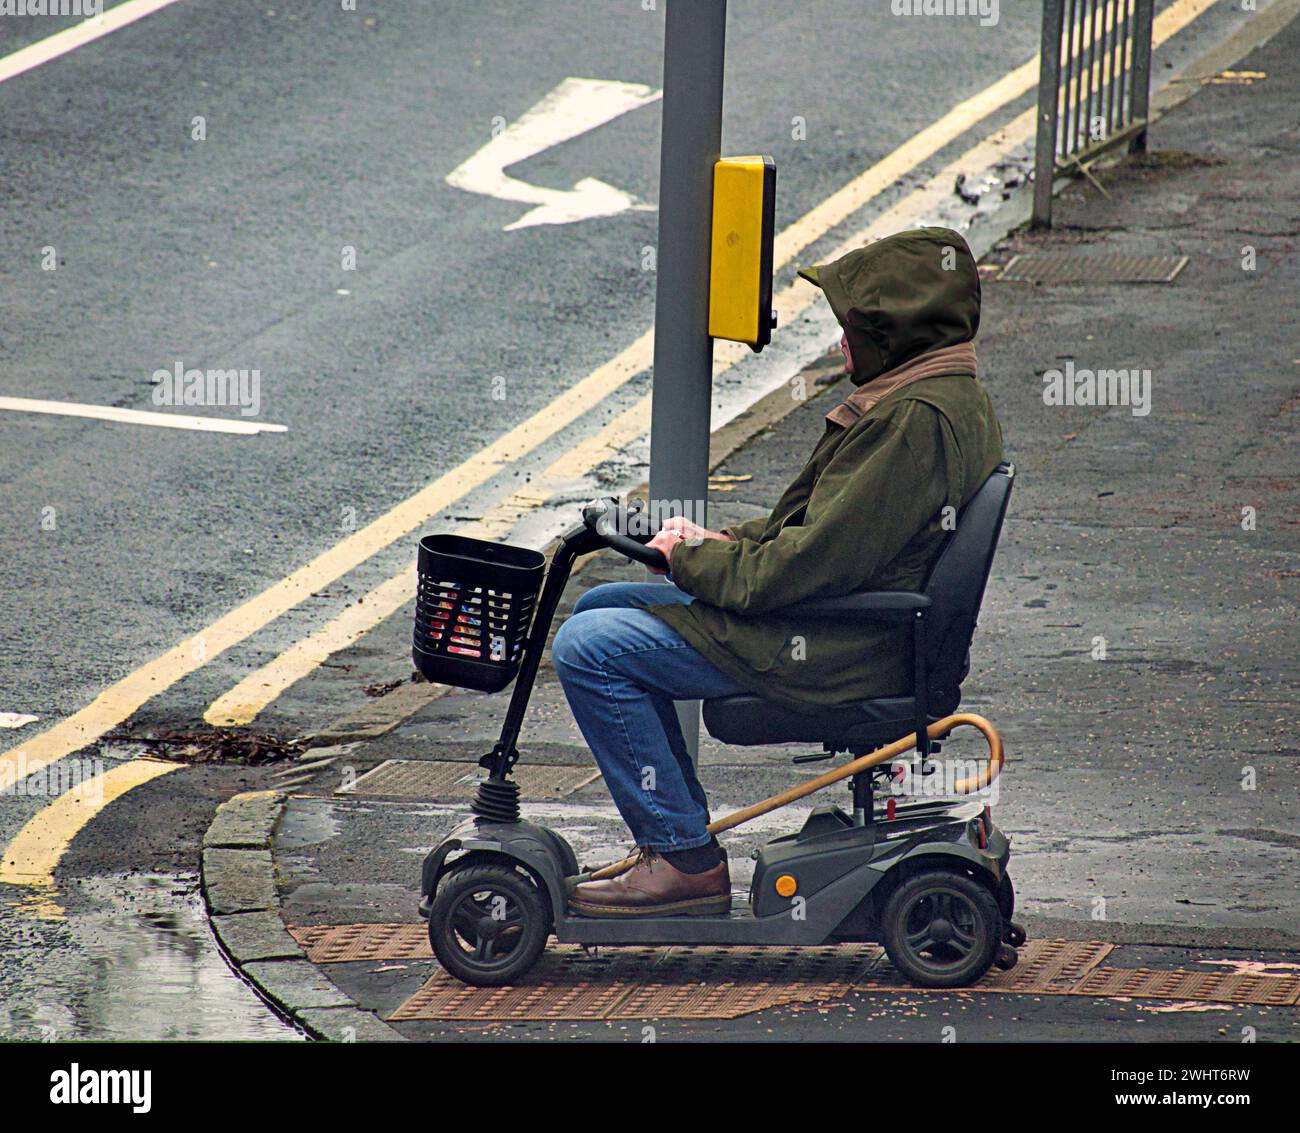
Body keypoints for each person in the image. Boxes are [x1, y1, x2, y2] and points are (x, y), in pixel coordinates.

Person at [553, 227, 1004, 917]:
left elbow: (804, 564)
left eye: (852, 328)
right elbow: (822, 532)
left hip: (838, 645)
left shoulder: (912, 420)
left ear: (894, 334)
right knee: (603, 604)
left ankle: (681, 857)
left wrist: (697, 560)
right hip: (851, 623)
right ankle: (677, 842)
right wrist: (717, 541)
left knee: (590, 649)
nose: (841, 343)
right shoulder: (938, 392)